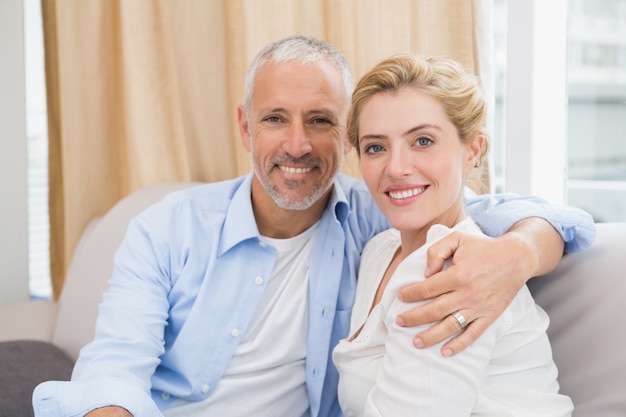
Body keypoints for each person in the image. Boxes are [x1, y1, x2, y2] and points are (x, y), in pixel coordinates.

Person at [33, 35, 592, 417]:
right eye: (276, 118)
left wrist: (516, 256)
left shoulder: (387, 218)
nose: (297, 145)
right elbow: (114, 364)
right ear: (246, 127)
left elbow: (523, 214)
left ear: (341, 135)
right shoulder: (166, 228)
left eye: (320, 121)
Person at [332, 54, 574, 416]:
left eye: (423, 141)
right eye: (376, 147)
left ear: (472, 150)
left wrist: (525, 249)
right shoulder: (381, 249)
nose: (396, 168)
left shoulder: (451, 272)